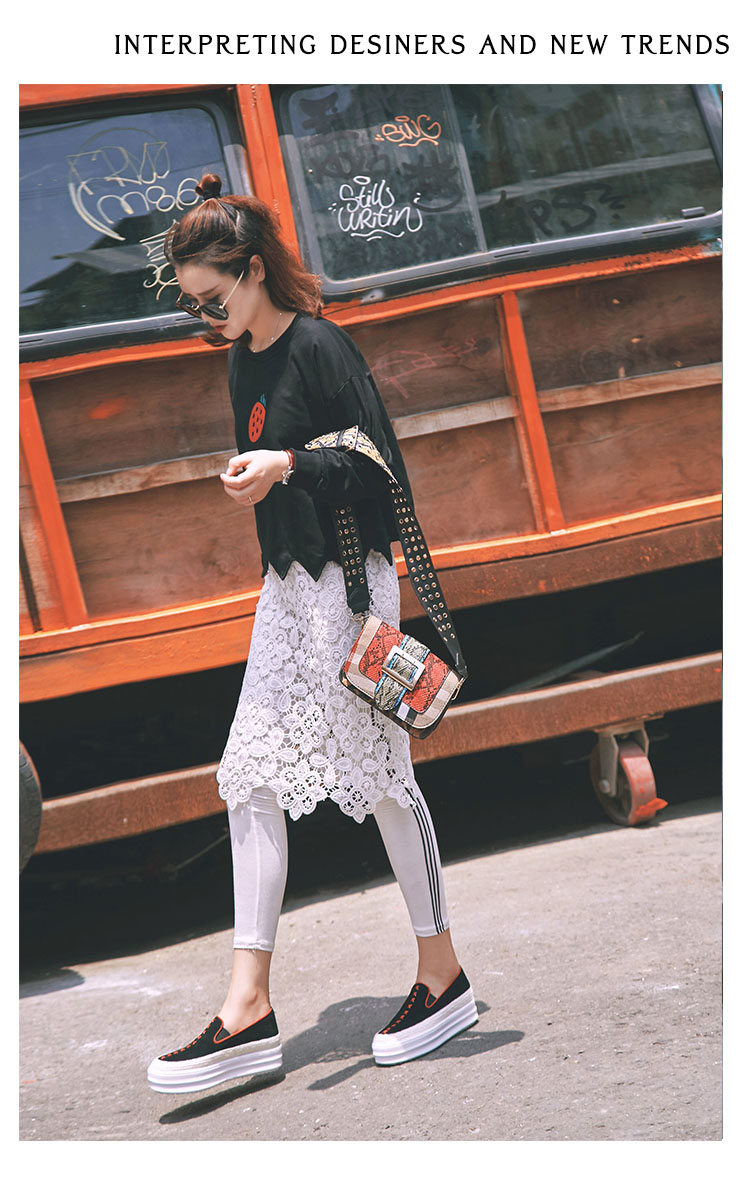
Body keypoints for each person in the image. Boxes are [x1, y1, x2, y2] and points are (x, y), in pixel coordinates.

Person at [146, 174, 477, 1095]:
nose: (206, 319)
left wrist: (287, 463)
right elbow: (283, 466)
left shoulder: (323, 345)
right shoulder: (242, 358)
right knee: (250, 778)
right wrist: (259, 479)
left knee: (383, 779)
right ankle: (246, 1007)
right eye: (192, 307)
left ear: (253, 271)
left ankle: (443, 976)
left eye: (213, 300)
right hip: (286, 595)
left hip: (351, 592)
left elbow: (380, 467)